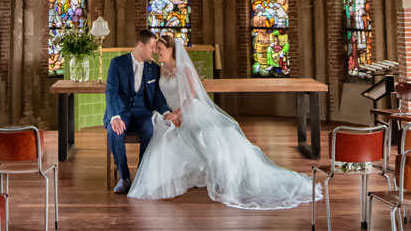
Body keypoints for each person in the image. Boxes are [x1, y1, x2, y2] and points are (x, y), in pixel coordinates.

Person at [128, 34, 320, 210]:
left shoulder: (184, 69)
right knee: (165, 142)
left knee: (208, 139)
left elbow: (191, 97)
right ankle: (167, 179)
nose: (157, 52)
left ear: (171, 50)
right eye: (156, 48)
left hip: (188, 111)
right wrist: (167, 114)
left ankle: (230, 177)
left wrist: (178, 114)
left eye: (160, 48)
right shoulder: (159, 70)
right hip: (169, 115)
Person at [104, 29, 180, 194]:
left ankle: (142, 174)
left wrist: (166, 112)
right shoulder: (117, 63)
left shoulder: (153, 68)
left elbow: (157, 96)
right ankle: (124, 177)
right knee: (114, 132)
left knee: (149, 129)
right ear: (140, 45)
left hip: (142, 112)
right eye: (152, 47)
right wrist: (115, 116)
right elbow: (111, 92)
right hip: (121, 112)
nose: (154, 50)